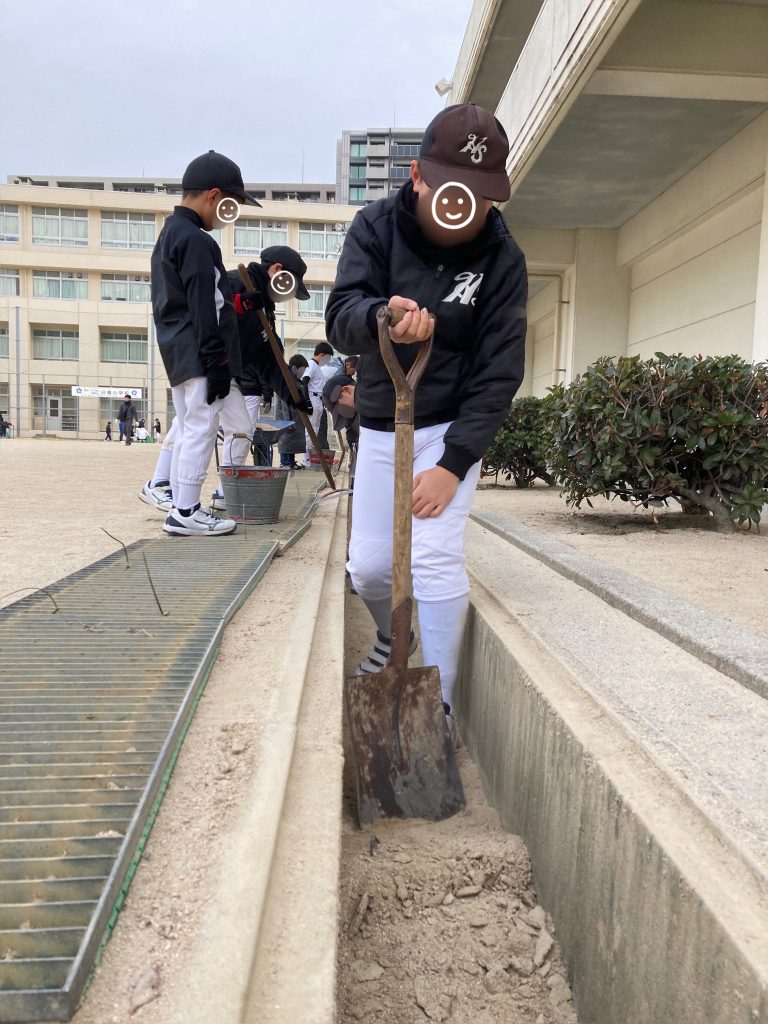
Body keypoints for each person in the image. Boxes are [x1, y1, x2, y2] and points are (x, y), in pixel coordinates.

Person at [326, 102, 527, 739]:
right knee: (370, 568)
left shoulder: (502, 258)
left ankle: (436, 706)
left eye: (482, 197)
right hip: (383, 421)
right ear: (417, 176)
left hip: (447, 429)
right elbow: (340, 317)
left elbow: (499, 372)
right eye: (452, 192)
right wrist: (380, 319)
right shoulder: (375, 227)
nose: (467, 209)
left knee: (435, 556)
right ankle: (395, 637)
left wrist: (453, 465)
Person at [150, 149, 261, 536]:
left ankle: (182, 506)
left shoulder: (169, 234)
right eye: (231, 204)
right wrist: (216, 361)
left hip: (178, 349)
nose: (230, 214)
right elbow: (205, 304)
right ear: (214, 195)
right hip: (200, 351)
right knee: (201, 426)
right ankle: (186, 510)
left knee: (188, 425)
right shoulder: (197, 240)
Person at [301, 342, 334, 467]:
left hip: (318, 400)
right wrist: (307, 402)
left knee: (314, 431)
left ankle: (309, 459)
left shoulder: (317, 367)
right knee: (310, 431)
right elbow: (305, 381)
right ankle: (306, 460)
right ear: (322, 355)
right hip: (312, 398)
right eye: (328, 357)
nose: (328, 360)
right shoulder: (311, 364)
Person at [276, 355, 310, 469]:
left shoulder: (295, 381)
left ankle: (291, 461)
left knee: (292, 442)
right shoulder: (287, 381)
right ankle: (285, 462)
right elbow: (285, 405)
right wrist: (288, 422)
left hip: (294, 417)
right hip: (288, 418)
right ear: (295, 368)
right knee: (286, 440)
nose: (303, 372)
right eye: (303, 369)